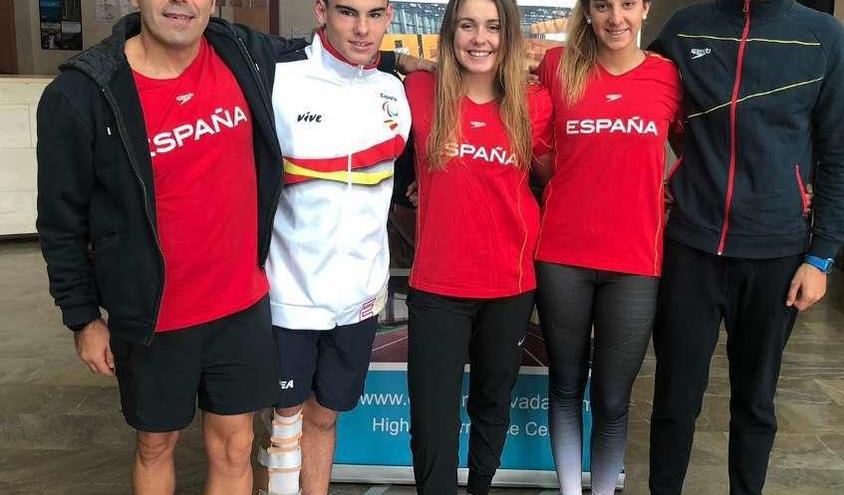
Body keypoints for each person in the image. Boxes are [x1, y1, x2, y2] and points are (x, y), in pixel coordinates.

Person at [35, 1, 419, 493]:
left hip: (241, 304)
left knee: (236, 444)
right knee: (155, 445)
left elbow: (340, 46)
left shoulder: (241, 54)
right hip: (154, 312)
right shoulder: (84, 92)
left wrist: (405, 61)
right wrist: (82, 316)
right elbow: (60, 220)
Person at [647, 1, 844, 494]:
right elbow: (639, 92)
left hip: (777, 254)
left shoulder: (823, 38)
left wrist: (821, 256)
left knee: (755, 401)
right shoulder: (686, 28)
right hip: (691, 247)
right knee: (675, 400)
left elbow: (842, 152)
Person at [257, 0, 412, 494]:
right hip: (289, 292)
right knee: (284, 421)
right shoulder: (279, 80)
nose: (362, 29)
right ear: (322, 11)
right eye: (348, 12)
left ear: (390, 16)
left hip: (361, 296)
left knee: (324, 416)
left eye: (374, 14)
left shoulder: (394, 91)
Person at [402, 0, 553, 492]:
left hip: (509, 283)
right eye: (467, 25)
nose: (479, 38)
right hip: (438, 284)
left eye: (492, 27)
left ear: (508, 35)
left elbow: (553, 178)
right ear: (450, 33)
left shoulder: (534, 104)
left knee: (492, 400)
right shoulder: (420, 91)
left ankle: (481, 487)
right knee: (432, 414)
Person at [532, 0, 681, 493]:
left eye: (626, 4)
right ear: (588, 13)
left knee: (614, 398)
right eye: (602, 6)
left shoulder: (668, 77)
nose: (615, 17)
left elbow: (705, 145)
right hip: (562, 256)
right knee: (566, 385)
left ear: (644, 9)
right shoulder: (558, 68)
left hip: (636, 262)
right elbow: (530, 131)